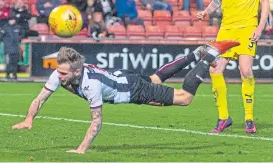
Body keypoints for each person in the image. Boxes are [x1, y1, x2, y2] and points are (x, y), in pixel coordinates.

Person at [12, 41, 240, 153]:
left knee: (184, 98)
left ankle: (209, 55)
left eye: (63, 73)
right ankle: (195, 53)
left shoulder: (90, 85)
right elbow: (40, 98)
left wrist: (81, 149)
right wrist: (29, 118)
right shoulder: (61, 73)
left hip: (132, 89)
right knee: (155, 78)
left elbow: (97, 121)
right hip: (123, 76)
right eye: (58, 72)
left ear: (77, 71)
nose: (59, 76)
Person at [197, 0, 271, 134]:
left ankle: (248, 118)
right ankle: (224, 117)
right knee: (215, 71)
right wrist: (206, 12)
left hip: (247, 28)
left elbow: (265, 3)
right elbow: (217, 0)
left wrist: (260, 26)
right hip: (226, 29)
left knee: (245, 71)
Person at [0, 13, 25, 80]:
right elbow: (0, 37)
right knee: (8, 62)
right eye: (10, 20)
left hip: (16, 47)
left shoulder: (18, 27)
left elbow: (22, 34)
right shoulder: (5, 27)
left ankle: (14, 75)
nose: (12, 21)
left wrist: (19, 39)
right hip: (8, 48)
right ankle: (7, 74)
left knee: (15, 62)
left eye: (13, 20)